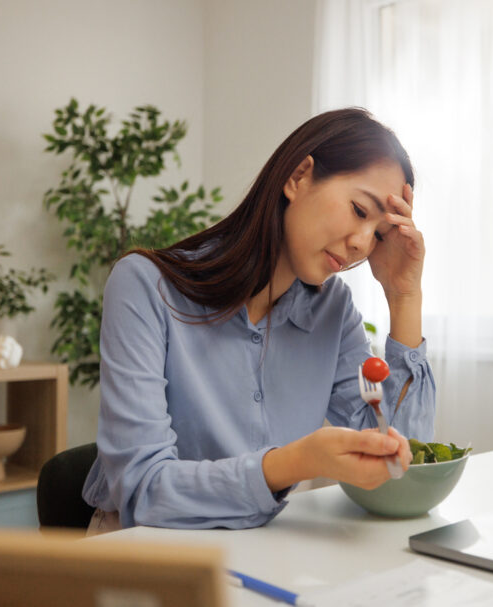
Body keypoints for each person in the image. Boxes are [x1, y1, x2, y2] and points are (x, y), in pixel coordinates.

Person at [82, 108, 435, 531]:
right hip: (146, 554)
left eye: (379, 234)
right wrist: (292, 463)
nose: (362, 244)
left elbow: (399, 463)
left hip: (264, 551)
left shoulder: (332, 310)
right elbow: (144, 490)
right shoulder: (145, 286)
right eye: (360, 211)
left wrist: (403, 295)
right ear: (298, 176)